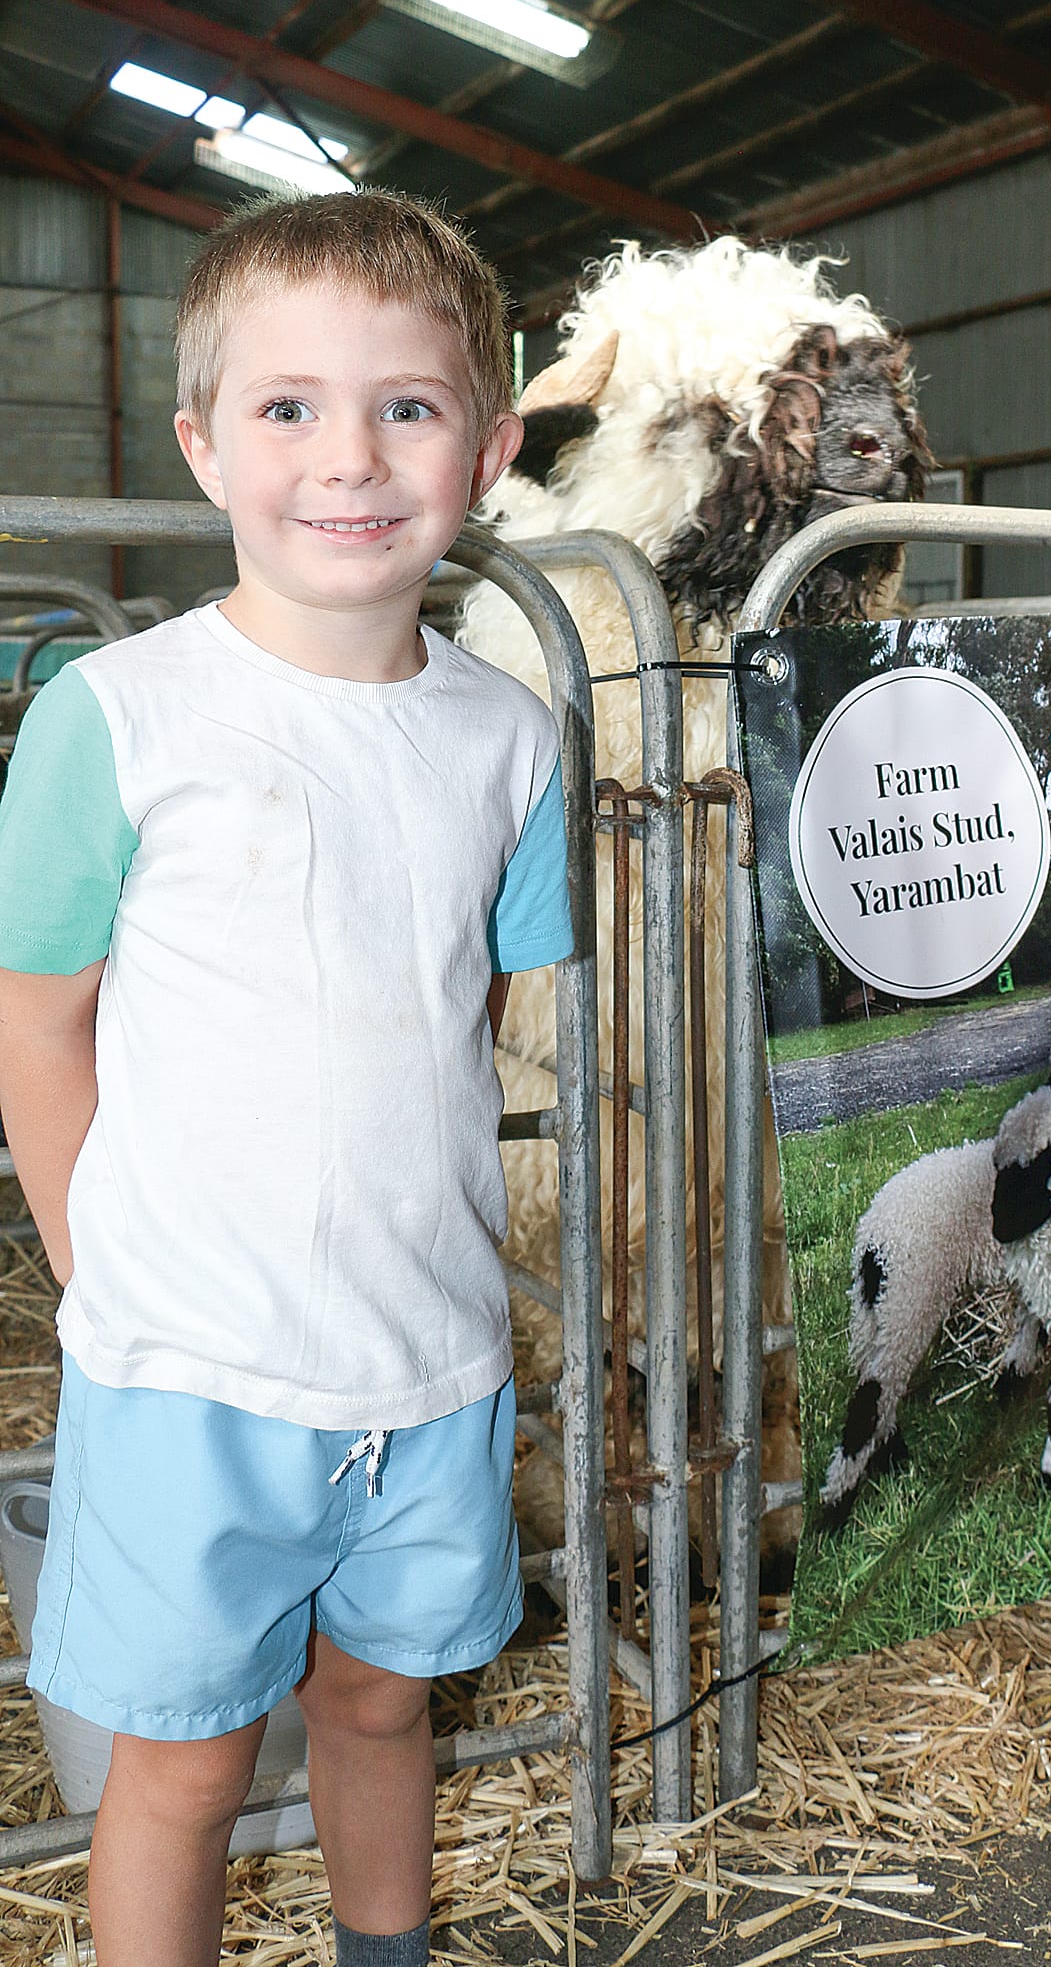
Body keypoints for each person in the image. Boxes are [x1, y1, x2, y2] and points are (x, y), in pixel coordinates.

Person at [0, 188, 572, 1966]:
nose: (352, 455)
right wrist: (105, 1276)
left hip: (429, 1357)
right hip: (190, 1369)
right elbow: (37, 1021)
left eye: (407, 406)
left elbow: (461, 1004)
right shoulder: (117, 720)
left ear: (486, 448)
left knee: (383, 1708)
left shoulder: (511, 733)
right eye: (288, 407)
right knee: (176, 1768)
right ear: (201, 445)